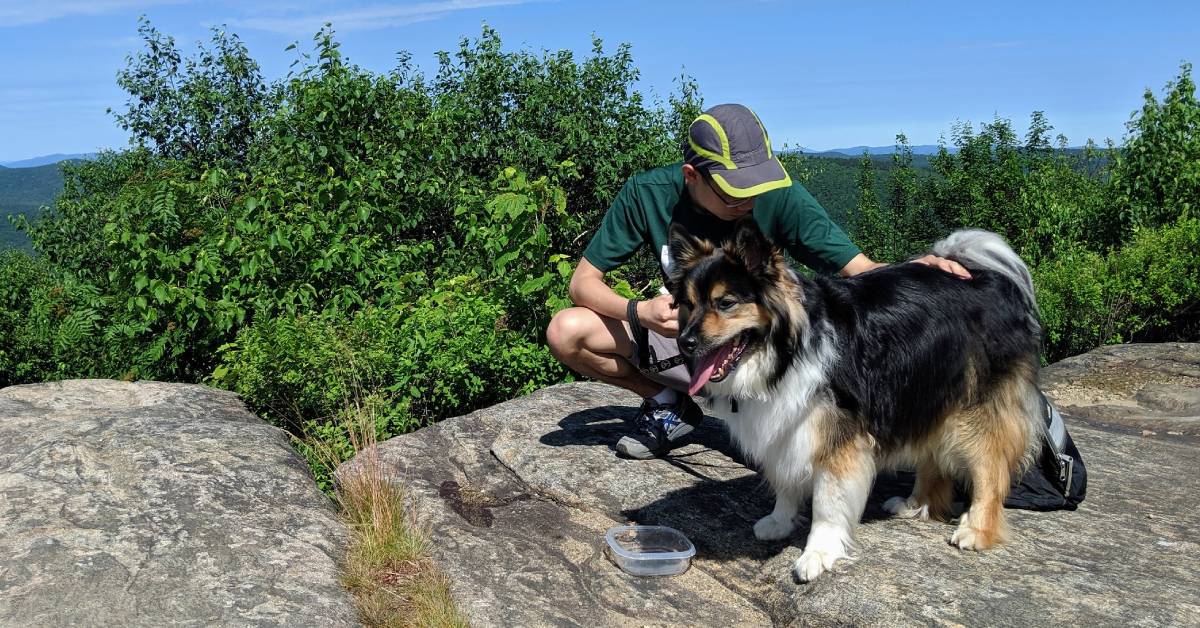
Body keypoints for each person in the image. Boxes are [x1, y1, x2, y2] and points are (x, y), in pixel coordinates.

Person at [545, 103, 970, 459]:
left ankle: (755, 416)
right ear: (692, 176)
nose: (748, 200)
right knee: (567, 331)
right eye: (733, 192)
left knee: (790, 473)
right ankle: (667, 403)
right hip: (683, 338)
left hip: (755, 357)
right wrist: (640, 313)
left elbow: (859, 269)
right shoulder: (647, 193)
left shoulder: (776, 195)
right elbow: (583, 283)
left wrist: (917, 270)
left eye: (754, 186)